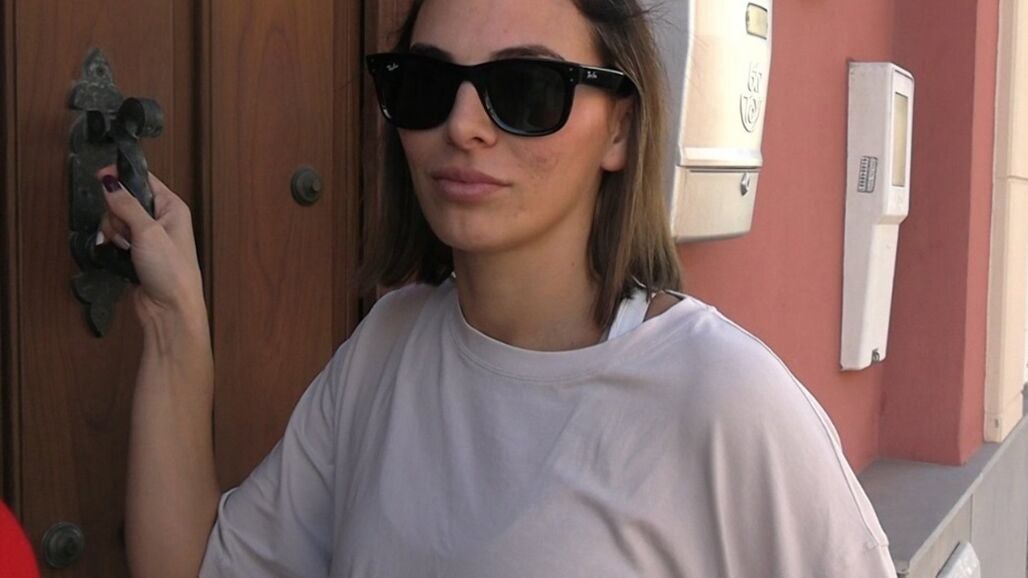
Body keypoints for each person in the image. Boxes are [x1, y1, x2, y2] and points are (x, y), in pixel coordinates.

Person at [99, 0, 898, 576]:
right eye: (425, 83)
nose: (463, 125)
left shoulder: (724, 399)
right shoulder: (388, 349)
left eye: (525, 90)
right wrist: (175, 322)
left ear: (620, 127)